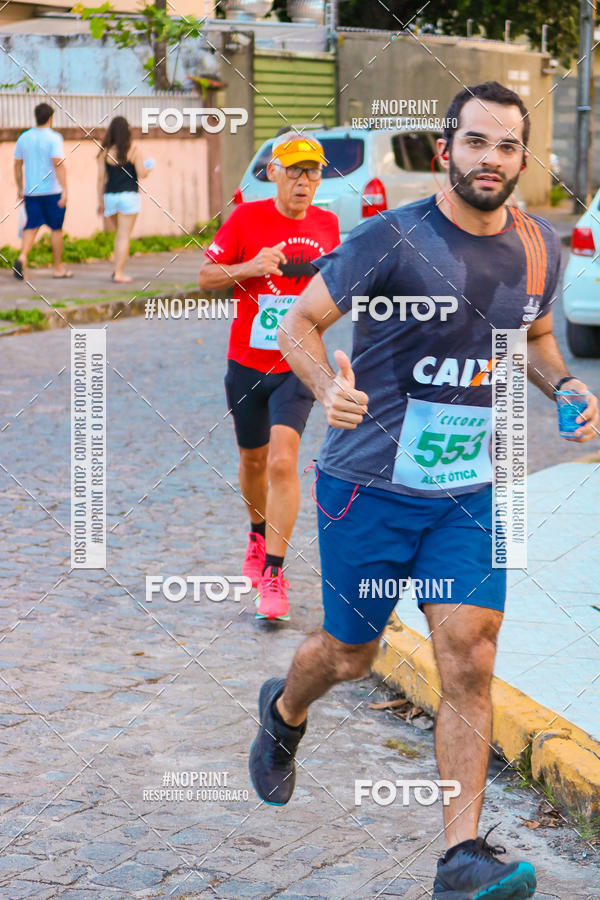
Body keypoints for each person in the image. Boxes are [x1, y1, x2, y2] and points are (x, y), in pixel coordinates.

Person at [248, 82, 599, 898]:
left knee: (470, 656)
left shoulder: (541, 246)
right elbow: (301, 324)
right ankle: (284, 711)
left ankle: (460, 856)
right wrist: (324, 390)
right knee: (350, 653)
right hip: (366, 488)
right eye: (476, 143)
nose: (492, 159)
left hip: (465, 494)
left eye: (508, 146)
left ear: (522, 157)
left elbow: (538, 337)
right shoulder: (390, 238)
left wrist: (566, 389)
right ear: (447, 151)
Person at [198, 132, 340, 621]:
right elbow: (205, 277)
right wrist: (251, 266)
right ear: (274, 172)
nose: (304, 182)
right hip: (247, 364)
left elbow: (336, 291)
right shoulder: (247, 217)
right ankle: (256, 535)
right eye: (295, 171)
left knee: (284, 461)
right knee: (253, 461)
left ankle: (275, 574)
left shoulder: (328, 224)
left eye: (313, 172)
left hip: (296, 365)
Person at [13, 102, 71, 280]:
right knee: (56, 229)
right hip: (52, 191)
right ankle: (58, 268)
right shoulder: (54, 138)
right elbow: (57, 163)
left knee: (31, 225)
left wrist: (20, 187)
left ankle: (22, 257)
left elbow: (17, 164)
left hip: (31, 191)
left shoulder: (24, 137)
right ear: (51, 118)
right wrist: (65, 189)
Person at [97, 116, 149, 283]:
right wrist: (149, 167)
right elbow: (142, 174)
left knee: (119, 234)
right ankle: (119, 273)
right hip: (129, 196)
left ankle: (117, 270)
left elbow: (100, 179)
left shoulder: (104, 152)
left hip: (110, 197)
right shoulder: (134, 150)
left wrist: (100, 203)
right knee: (123, 235)